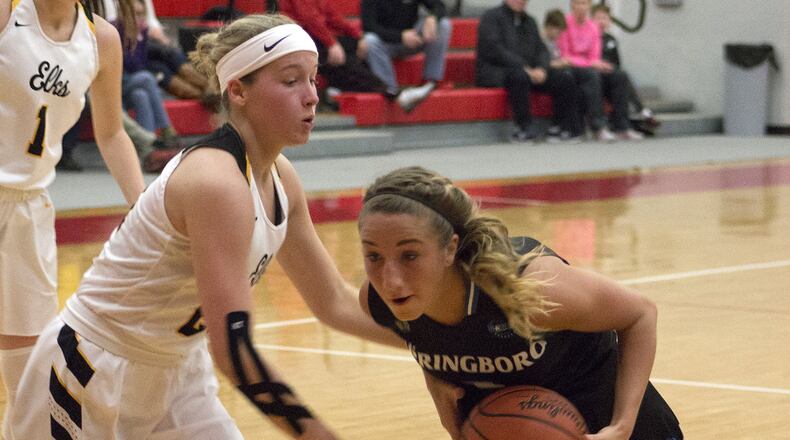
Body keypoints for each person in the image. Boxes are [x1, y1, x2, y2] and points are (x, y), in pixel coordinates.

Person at [9, 14, 401, 439]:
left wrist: (438, 343)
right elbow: (233, 349)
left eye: (313, 79)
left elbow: (334, 302)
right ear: (237, 90)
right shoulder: (215, 183)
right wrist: (316, 433)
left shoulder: (281, 178)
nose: (310, 97)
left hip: (178, 371)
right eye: (291, 81)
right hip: (93, 369)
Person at [356, 166, 684, 440]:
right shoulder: (381, 301)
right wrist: (437, 382)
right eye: (373, 255)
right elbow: (430, 339)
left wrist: (622, 425)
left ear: (450, 249)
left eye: (410, 255)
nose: (391, 280)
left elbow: (640, 314)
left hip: (607, 420)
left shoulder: (529, 289)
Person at [0, 0, 145, 435]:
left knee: (26, 374)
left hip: (28, 209)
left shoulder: (101, 39)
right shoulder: (8, 12)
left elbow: (112, 132)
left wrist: (148, 213)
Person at [476, 0, 583, 143]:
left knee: (564, 78)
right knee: (519, 76)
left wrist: (542, 68)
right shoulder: (491, 17)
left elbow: (541, 50)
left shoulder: (530, 21)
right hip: (496, 70)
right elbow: (493, 50)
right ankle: (524, 127)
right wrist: (523, 67)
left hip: (529, 71)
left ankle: (560, 126)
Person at [558, 0, 643, 141]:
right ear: (572, 5)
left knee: (619, 75)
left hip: (590, 66)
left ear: (589, 6)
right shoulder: (564, 24)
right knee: (592, 75)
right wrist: (590, 62)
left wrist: (594, 62)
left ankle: (622, 126)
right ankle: (598, 127)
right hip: (571, 69)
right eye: (577, 3)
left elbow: (595, 55)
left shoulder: (593, 27)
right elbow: (566, 56)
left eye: (584, 3)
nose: (581, 7)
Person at [279, 0, 387, 106]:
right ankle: (380, 88)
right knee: (341, 58)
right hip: (301, 39)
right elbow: (310, 19)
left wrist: (358, 36)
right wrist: (331, 44)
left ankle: (339, 91)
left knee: (355, 46)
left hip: (320, 37)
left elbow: (333, 17)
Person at [360, 0, 452, 112]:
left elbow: (439, 5)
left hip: (412, 38)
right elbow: (368, 26)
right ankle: (390, 89)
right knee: (370, 40)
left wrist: (433, 17)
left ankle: (431, 81)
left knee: (443, 25)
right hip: (386, 42)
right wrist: (400, 37)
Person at [591, 4, 660, 136]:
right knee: (619, 78)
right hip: (595, 77)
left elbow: (616, 63)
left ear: (609, 21)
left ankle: (623, 125)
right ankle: (641, 109)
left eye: (605, 18)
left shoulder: (611, 40)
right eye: (598, 18)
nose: (601, 21)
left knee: (622, 76)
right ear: (591, 20)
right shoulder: (589, 37)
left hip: (610, 78)